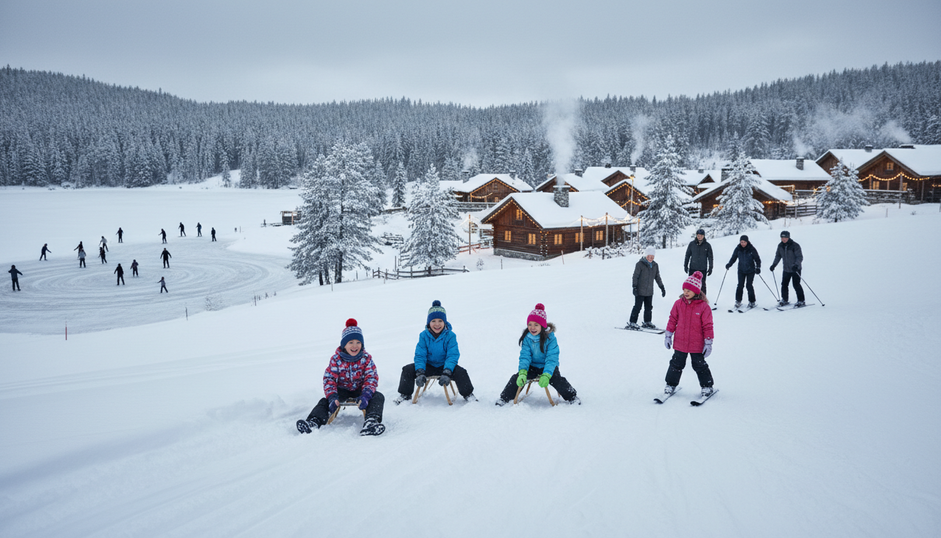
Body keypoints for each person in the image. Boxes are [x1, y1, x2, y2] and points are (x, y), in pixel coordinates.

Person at [296, 319, 386, 436]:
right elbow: (329, 379)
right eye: (351, 342)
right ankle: (313, 422)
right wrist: (332, 396)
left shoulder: (366, 359)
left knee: (378, 397)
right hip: (342, 389)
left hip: (360, 389)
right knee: (325, 401)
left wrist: (366, 395)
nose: (355, 346)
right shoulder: (336, 359)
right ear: (344, 344)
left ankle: (371, 422)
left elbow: (371, 378)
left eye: (358, 342)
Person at [496, 303, 579, 406]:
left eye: (536, 325)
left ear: (542, 326)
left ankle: (573, 397)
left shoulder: (550, 339)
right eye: (530, 324)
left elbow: (552, 358)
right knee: (516, 378)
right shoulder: (527, 338)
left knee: (557, 380)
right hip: (533, 367)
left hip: (548, 366)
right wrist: (522, 372)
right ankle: (504, 398)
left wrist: (547, 374)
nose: (532, 328)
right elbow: (525, 356)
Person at [394, 300, 476, 404]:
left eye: (440, 321)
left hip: (445, 367)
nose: (437, 324)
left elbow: (452, 355)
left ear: (444, 322)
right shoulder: (423, 335)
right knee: (407, 370)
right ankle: (405, 395)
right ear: (429, 322)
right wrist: (420, 371)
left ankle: (468, 395)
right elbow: (420, 355)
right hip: (428, 366)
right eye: (433, 321)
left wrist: (447, 371)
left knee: (461, 373)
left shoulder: (451, 336)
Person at [662, 271, 716, 398]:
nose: (686, 292)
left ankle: (707, 386)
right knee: (676, 364)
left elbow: (708, 326)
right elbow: (672, 319)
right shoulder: (678, 304)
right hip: (680, 342)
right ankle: (670, 384)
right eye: (685, 289)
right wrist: (668, 334)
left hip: (696, 344)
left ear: (696, 291)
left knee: (699, 365)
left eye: (689, 290)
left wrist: (708, 342)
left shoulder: (704, 307)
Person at [627, 246, 666, 330]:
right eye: (649, 256)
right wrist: (634, 287)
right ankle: (632, 322)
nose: (650, 258)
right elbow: (635, 276)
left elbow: (657, 277)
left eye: (652, 256)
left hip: (649, 291)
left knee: (649, 307)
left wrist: (662, 287)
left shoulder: (655, 265)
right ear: (645, 255)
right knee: (637, 307)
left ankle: (647, 321)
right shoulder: (640, 264)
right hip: (640, 290)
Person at [770, 230, 805, 307]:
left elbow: (799, 257)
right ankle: (785, 299)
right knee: (784, 284)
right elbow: (778, 256)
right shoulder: (780, 246)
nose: (783, 239)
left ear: (788, 237)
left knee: (796, 284)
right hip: (786, 269)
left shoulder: (795, 245)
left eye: (785, 237)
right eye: (782, 237)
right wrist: (774, 265)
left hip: (795, 268)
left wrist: (796, 265)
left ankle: (801, 300)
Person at [725, 235, 761, 309]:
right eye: (741, 242)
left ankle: (752, 302)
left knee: (749, 285)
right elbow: (733, 258)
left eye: (744, 242)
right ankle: (738, 301)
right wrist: (729, 264)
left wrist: (758, 267)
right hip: (741, 270)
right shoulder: (738, 249)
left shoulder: (751, 249)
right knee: (740, 285)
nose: (743, 243)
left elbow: (757, 259)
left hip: (751, 270)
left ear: (747, 242)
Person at [684, 228, 713, 293]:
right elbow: (687, 255)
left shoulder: (707, 245)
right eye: (698, 235)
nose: (699, 237)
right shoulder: (692, 244)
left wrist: (710, 267)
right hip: (693, 268)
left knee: (702, 285)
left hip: (702, 268)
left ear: (704, 236)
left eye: (701, 235)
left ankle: (703, 300)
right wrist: (685, 265)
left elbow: (710, 257)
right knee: (691, 284)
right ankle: (691, 299)